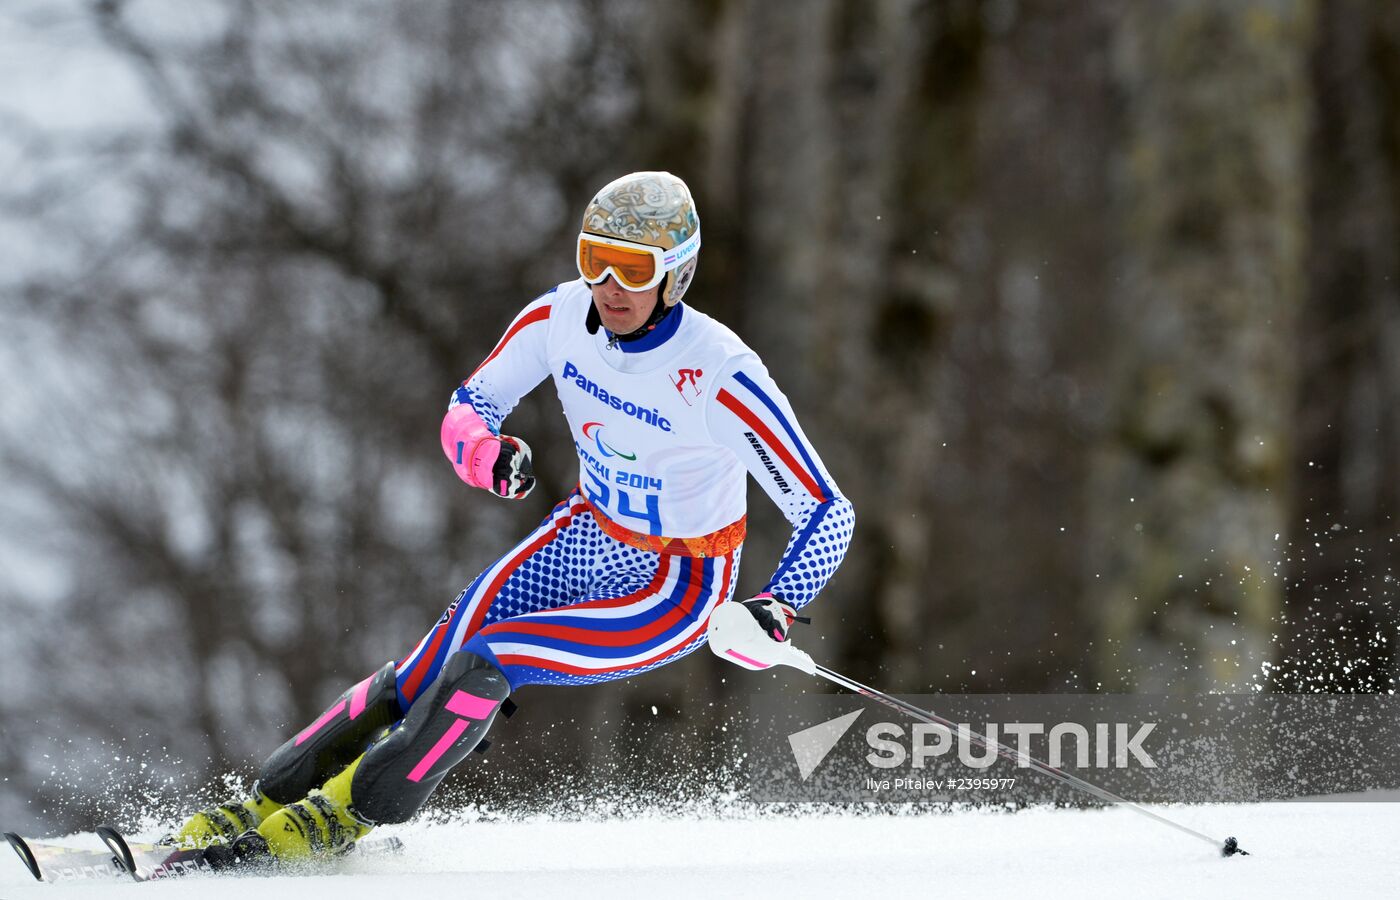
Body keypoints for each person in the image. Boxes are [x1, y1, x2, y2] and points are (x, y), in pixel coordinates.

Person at [174, 171, 855, 865]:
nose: (611, 286)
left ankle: (332, 821)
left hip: (674, 582)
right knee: (421, 673)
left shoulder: (719, 372)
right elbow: (468, 408)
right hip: (584, 534)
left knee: (487, 665)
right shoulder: (559, 319)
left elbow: (828, 510)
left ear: (675, 276)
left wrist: (778, 602)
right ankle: (257, 804)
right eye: (596, 260)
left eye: (634, 268)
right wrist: (484, 454)